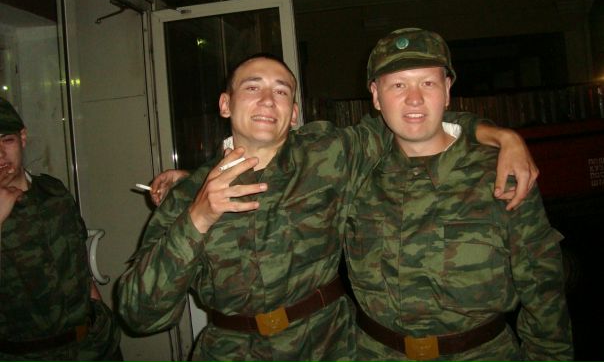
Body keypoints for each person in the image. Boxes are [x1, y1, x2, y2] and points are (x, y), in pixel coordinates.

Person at [118, 53, 537, 362]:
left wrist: (503, 137)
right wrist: (198, 217)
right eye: (252, 87)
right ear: (225, 104)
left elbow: (414, 116)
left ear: (294, 113)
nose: (267, 100)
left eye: (281, 91)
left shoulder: (331, 154)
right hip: (230, 351)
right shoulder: (189, 195)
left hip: (328, 345)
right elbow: (140, 316)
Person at [345, 28, 573, 361]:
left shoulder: (499, 171)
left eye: (428, 83)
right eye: (398, 85)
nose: (414, 98)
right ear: (376, 96)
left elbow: (542, 285)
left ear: (447, 91)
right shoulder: (355, 173)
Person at [0, 98, 122, 362]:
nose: (0, 154)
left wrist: (99, 312)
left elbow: (78, 262)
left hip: (93, 344)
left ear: (22, 138)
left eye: (6, 140)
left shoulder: (53, 192)